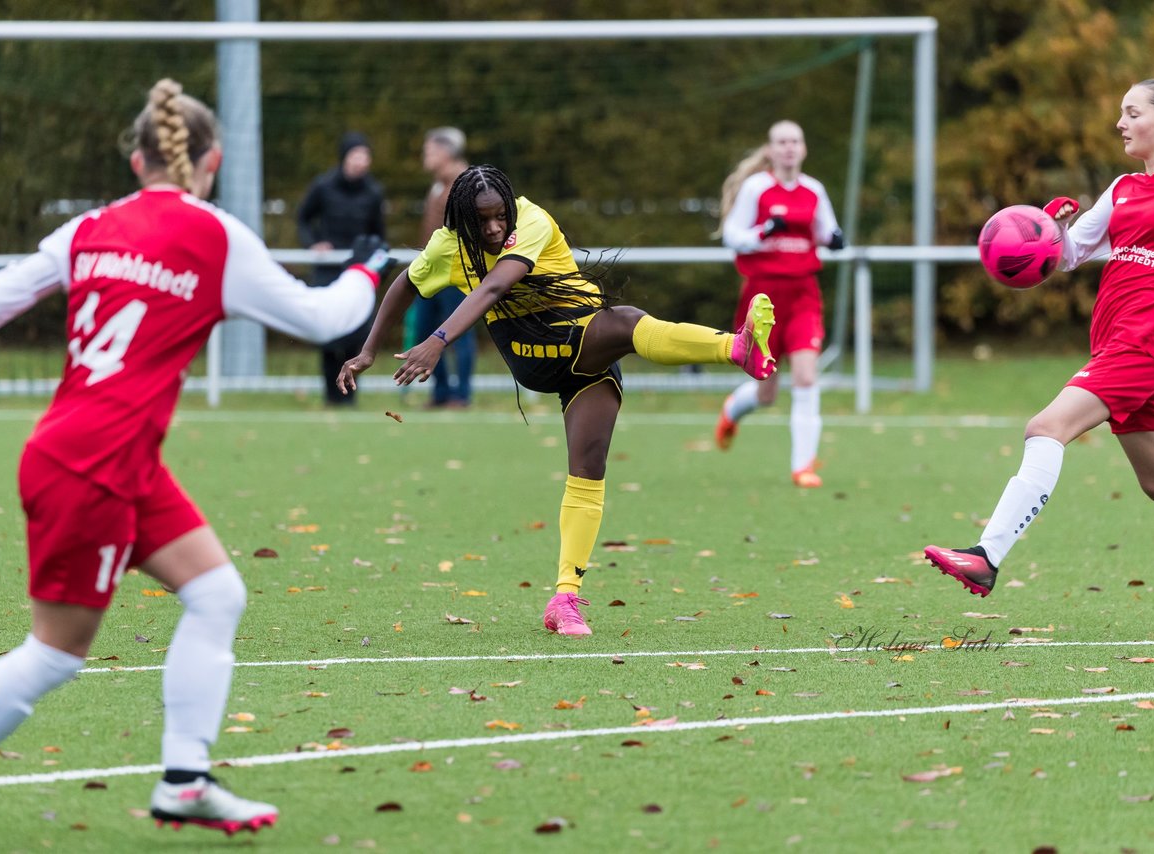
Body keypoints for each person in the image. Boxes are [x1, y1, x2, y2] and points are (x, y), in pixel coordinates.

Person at [0, 79, 385, 844]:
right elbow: (327, 319)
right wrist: (366, 266)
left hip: (103, 455)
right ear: (211, 160)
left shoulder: (88, 227)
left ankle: (185, 779)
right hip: (93, 464)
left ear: (136, 160)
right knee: (54, 655)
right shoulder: (215, 235)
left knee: (217, 593)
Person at [337, 165, 777, 636]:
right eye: (482, 221)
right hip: (536, 354)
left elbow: (496, 284)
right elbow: (407, 282)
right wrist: (369, 349)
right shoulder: (449, 245)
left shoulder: (531, 221)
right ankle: (734, 348)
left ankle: (565, 597)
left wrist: (439, 338)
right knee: (626, 320)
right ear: (461, 221)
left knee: (589, 467)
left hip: (586, 350)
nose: (494, 228)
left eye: (499, 216)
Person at [925, 79, 1154, 597]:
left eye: (1131, 112)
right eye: (1120, 112)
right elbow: (1067, 256)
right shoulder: (1122, 188)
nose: (1120, 122)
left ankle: (986, 556)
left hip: (1142, 344)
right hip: (1115, 345)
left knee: (1045, 428)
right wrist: (1052, 228)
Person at [714, 120, 844, 488]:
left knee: (806, 375)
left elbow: (826, 231)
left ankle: (803, 467)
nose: (789, 148)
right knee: (766, 391)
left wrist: (835, 239)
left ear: (803, 149)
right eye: (781, 142)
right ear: (771, 150)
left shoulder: (814, 190)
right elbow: (732, 237)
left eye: (795, 141)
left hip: (803, 295)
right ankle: (731, 410)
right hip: (762, 298)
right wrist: (763, 233)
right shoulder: (757, 188)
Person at [296, 131, 386, 406]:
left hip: (358, 274)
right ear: (344, 158)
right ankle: (330, 396)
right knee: (328, 334)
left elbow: (379, 235)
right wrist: (313, 244)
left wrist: (374, 264)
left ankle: (350, 396)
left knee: (356, 336)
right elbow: (302, 217)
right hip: (328, 273)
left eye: (365, 156)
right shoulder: (323, 187)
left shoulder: (373, 193)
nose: (361, 162)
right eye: (356, 155)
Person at [412, 126, 477, 408]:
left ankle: (461, 395)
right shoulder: (438, 184)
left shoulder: (466, 183)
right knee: (423, 331)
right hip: (431, 272)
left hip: (456, 272)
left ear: (446, 152)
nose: (425, 156)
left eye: (430, 151)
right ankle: (439, 392)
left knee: (458, 332)